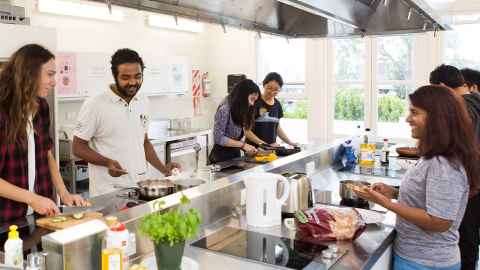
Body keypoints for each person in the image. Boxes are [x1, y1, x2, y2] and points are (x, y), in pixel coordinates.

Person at [354, 85, 479, 270]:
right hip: (416, 258)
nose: (407, 119)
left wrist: (386, 203)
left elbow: (439, 221)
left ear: (437, 118)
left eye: (414, 112)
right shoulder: (435, 155)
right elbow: (431, 198)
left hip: (425, 263)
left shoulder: (443, 163)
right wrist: (393, 192)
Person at [72, 49, 179, 196]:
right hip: (109, 191)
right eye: (125, 77)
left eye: (138, 76)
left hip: (140, 187)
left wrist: (164, 169)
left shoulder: (143, 101)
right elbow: (78, 147)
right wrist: (107, 162)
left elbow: (144, 142)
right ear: (115, 76)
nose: (133, 82)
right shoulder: (95, 104)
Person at [0, 44, 87, 222]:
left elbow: (46, 153)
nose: (54, 82)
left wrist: (64, 193)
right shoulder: (2, 112)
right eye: (50, 74)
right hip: (6, 218)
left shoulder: (42, 107)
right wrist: (32, 198)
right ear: (29, 74)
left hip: (38, 216)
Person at [430, 65, 480, 270]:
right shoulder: (476, 101)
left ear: (442, 87)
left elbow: (458, 148)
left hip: (468, 185)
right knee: (470, 238)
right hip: (475, 184)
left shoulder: (461, 108)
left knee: (463, 238)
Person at [209, 79, 260, 164]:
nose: (252, 104)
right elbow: (218, 138)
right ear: (242, 96)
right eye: (252, 99)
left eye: (254, 101)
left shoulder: (240, 110)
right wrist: (243, 145)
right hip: (219, 159)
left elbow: (235, 138)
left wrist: (247, 149)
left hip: (234, 157)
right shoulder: (225, 109)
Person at [245, 72, 297, 147]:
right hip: (254, 150)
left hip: (271, 150)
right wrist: (266, 145)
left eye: (276, 89)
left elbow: (277, 127)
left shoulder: (277, 104)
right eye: (269, 88)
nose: (272, 92)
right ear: (264, 85)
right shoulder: (255, 102)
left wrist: (290, 142)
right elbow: (247, 131)